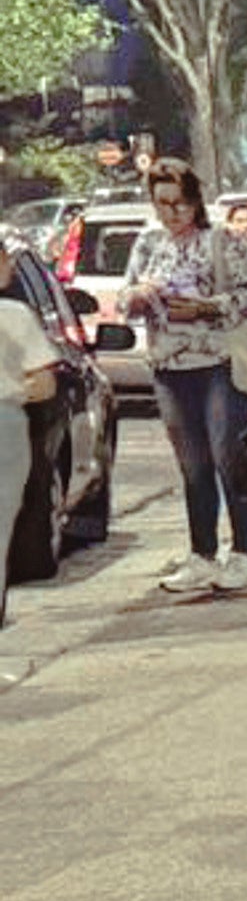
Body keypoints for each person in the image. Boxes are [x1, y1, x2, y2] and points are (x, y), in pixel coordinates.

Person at [122, 160, 247, 599]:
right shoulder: (149, 242)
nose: (173, 213)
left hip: (220, 361)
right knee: (192, 466)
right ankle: (201, 552)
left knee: (229, 454)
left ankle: (243, 553)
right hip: (170, 365)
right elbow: (127, 297)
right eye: (163, 203)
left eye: (181, 203)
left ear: (195, 201)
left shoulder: (222, 240)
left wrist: (205, 307)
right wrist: (145, 296)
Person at [0, 259, 59, 686]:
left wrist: (14, 391)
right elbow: (43, 384)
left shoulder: (16, 317)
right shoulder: (16, 316)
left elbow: (46, 384)